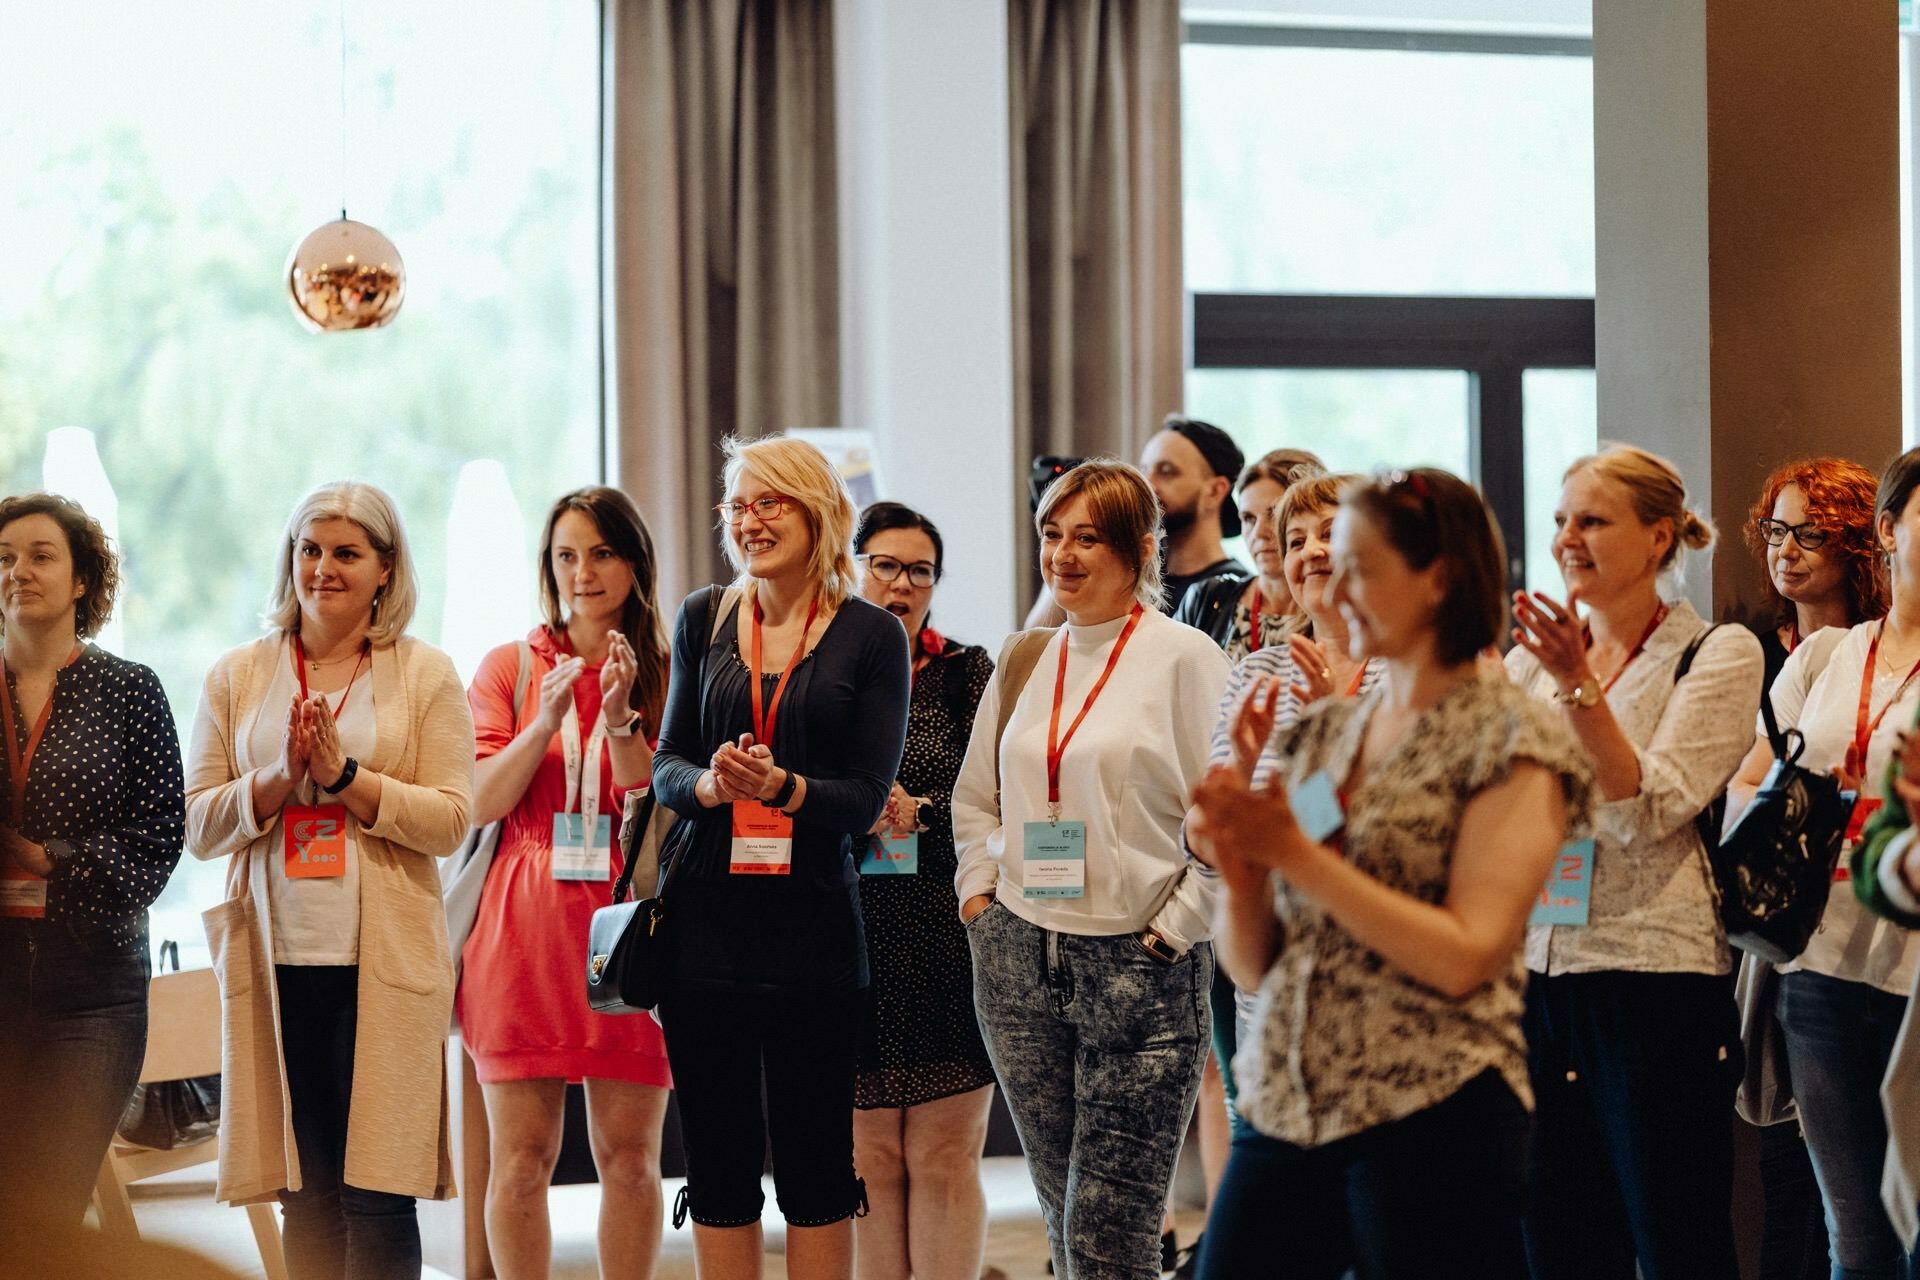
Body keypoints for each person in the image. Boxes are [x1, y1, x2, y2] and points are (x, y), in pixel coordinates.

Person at [1186, 468, 1593, 1278]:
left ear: (1438, 577)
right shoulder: (1322, 735)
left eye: (1359, 566)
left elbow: (1466, 953)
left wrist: (1293, 853)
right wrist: (1241, 866)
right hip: (1288, 1098)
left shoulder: (1511, 738)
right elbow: (1256, 959)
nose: (1333, 585)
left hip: (1431, 1105)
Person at [184, 481, 475, 1280]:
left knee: (378, 1192)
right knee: (301, 1193)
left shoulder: (427, 673)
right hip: (274, 966)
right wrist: (276, 778)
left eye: (346, 553)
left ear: (385, 569)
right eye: (309, 550)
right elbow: (200, 824)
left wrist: (345, 775)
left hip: (384, 966)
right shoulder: (239, 674)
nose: (322, 569)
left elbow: (452, 819)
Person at [953, 459, 1230, 1280]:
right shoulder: (1025, 656)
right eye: (1051, 535)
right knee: (1062, 1221)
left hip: (1139, 964)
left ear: (1139, 549)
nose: (1063, 555)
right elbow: (976, 799)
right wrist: (980, 899)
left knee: (1111, 1236)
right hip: (1017, 954)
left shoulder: (1186, 658)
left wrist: (1172, 933)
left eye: (1087, 538)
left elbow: (1229, 817)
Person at [649, 435, 911, 1280]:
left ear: (817, 509)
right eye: (738, 505)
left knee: (815, 1169)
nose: (750, 521)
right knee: (718, 1168)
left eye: (771, 502)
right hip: (704, 934)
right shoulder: (703, 616)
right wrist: (715, 790)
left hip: (813, 938)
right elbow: (667, 766)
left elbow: (868, 799)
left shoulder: (873, 636)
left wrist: (786, 787)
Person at [1507, 444, 1763, 1279]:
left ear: (1660, 538)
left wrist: (1580, 687)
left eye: (1591, 521)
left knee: (1677, 1238)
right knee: (1558, 1241)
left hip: (1654, 979)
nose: (1567, 539)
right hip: (1540, 972)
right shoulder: (1531, 663)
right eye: (1560, 521)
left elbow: (1648, 807)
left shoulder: (1716, 653)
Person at [458, 487, 673, 1279]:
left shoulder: (668, 668)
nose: (583, 572)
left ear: (633, 562)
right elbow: (479, 800)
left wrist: (620, 719)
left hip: (628, 921)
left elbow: (654, 811)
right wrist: (543, 724)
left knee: (629, 1157)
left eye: (602, 553)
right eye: (566, 556)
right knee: (520, 1159)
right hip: (523, 926)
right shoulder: (510, 667)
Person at [1726, 450, 1920, 1280]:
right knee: (1858, 1241)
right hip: (1821, 969)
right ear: (1888, 530)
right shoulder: (1828, 656)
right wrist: (1803, 796)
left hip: (1916, 981)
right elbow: (1741, 783)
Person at [0, 492, 184, 1233]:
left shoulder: (130, 690)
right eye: (5, 559)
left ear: (82, 581)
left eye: (40, 556)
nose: (18, 571)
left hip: (93, 988)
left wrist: (55, 859)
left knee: (46, 1205)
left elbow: (162, 833)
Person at [849, 501, 997, 1280]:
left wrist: (920, 811)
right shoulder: (815, 677)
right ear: (851, 568)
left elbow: (998, 800)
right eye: (884, 564)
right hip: (845, 932)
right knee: (869, 1158)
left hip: (945, 932)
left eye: (919, 570)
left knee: (943, 1154)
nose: (901, 583)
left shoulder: (967, 674)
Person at [1023, 415, 1247, 629]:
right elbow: (1040, 643)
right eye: (1144, 470)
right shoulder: (1123, 573)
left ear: (1215, 491)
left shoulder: (1234, 590)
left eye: (1167, 472)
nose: (1147, 484)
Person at [1174, 447, 1325, 654]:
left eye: (1275, 514)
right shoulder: (1207, 598)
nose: (1259, 532)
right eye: (1248, 518)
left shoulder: (1341, 613)